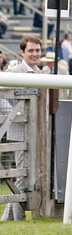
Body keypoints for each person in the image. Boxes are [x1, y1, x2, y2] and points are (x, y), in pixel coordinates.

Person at [1, 37, 47, 221]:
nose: (35, 54)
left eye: (37, 50)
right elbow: (1, 96)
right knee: (20, 176)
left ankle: (8, 218)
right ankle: (17, 217)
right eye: (31, 51)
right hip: (18, 131)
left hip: (37, 132)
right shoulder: (13, 72)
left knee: (25, 176)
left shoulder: (42, 73)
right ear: (22, 52)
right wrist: (16, 115)